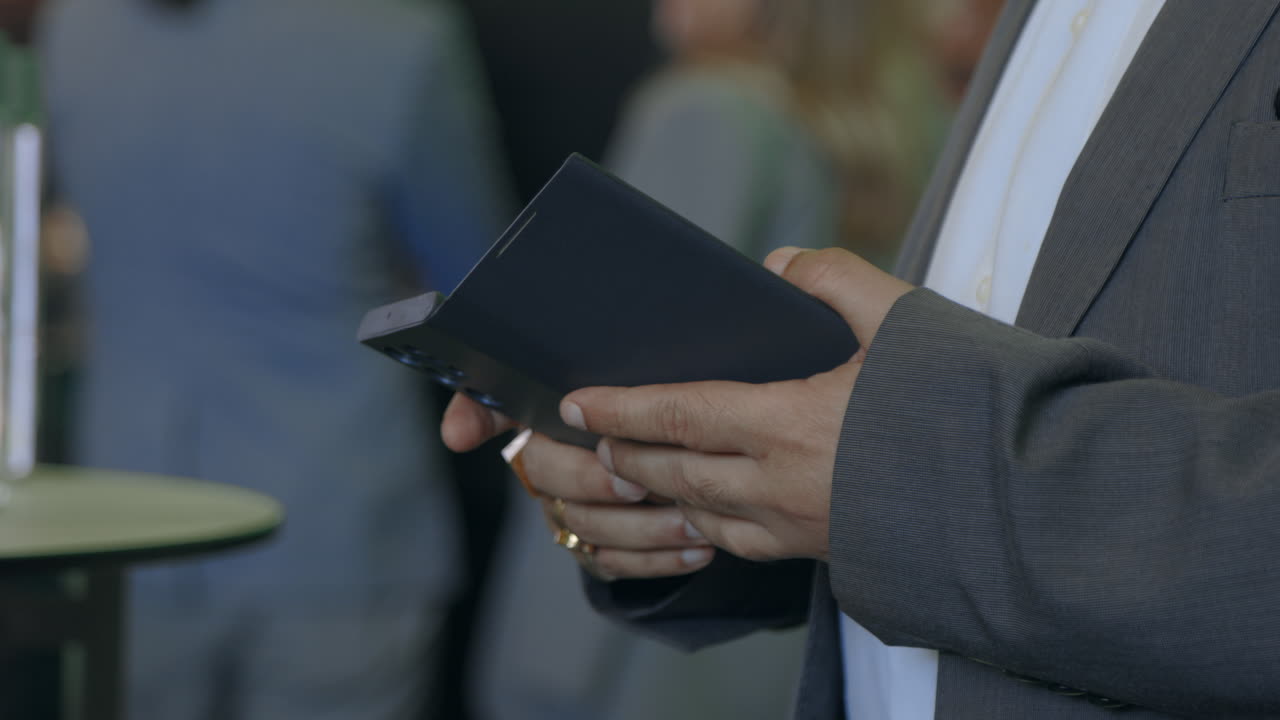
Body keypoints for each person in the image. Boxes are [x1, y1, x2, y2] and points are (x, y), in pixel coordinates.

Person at [443, 0, 1280, 717]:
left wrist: (887, 472)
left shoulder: (710, 108)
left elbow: (909, 455)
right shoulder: (986, 52)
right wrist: (699, 489)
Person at [38, 0, 510, 718]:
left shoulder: (75, 25)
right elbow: (481, 282)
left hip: (130, 529)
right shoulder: (394, 32)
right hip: (336, 528)